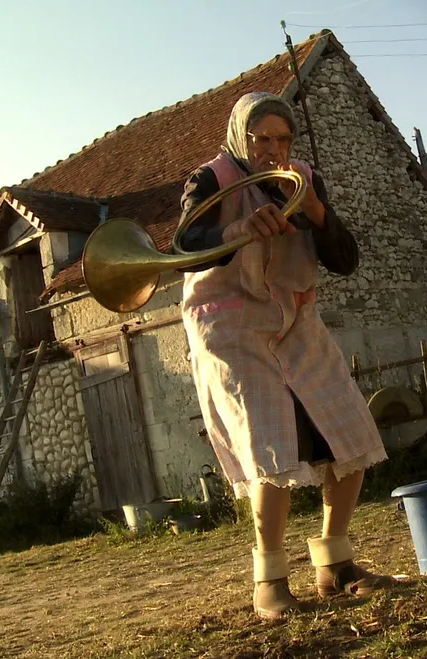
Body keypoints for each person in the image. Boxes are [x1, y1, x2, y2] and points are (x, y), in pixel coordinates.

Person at [176, 91, 396, 620]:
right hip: (230, 324)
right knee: (270, 449)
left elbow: (345, 259)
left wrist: (318, 212)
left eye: (283, 139)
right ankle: (270, 582)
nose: (275, 150)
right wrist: (236, 229)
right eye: (262, 140)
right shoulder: (210, 179)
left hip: (295, 320)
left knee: (348, 434)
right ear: (240, 138)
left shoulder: (303, 178)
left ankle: (335, 564)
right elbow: (184, 245)